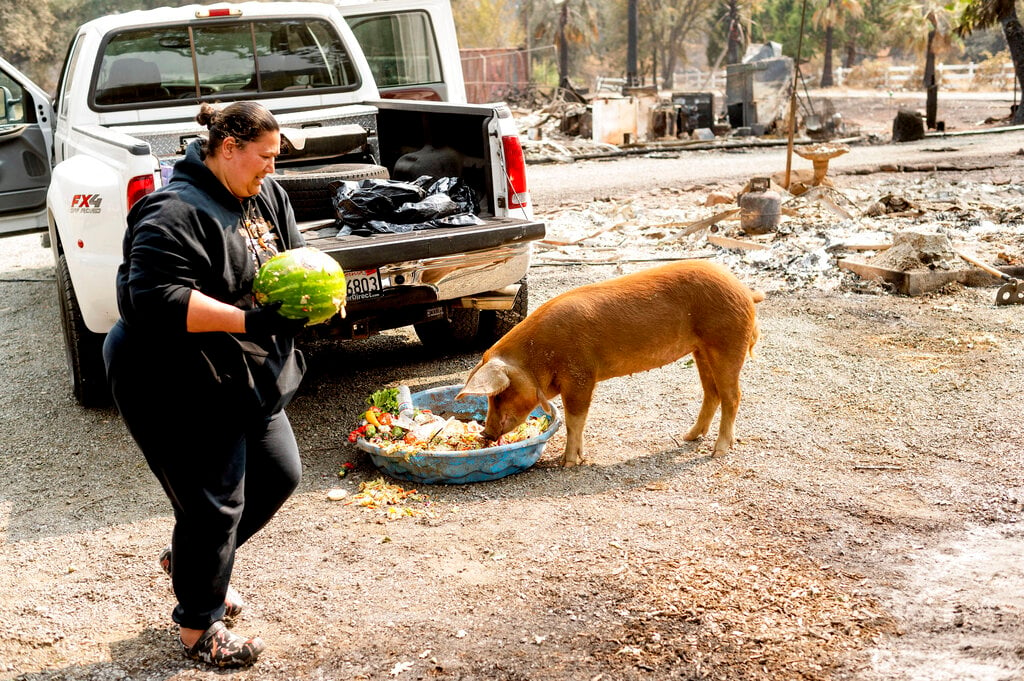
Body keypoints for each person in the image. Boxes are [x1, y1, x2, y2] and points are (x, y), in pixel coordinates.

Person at [103, 101, 309, 667]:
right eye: (264, 157)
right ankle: (200, 628)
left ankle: (189, 565)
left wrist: (314, 291)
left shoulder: (265, 194)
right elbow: (153, 300)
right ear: (228, 149)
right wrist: (252, 319)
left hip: (240, 368)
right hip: (169, 376)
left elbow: (290, 259)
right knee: (214, 505)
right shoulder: (172, 212)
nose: (273, 167)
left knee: (279, 473)